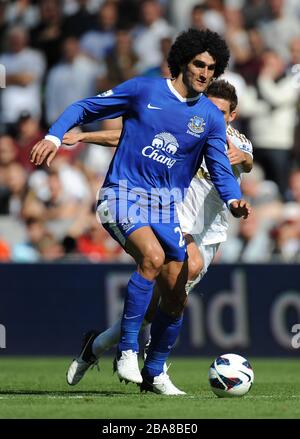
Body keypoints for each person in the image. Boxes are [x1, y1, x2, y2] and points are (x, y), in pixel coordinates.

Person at [30, 29, 250, 395]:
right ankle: (127, 350)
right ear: (183, 60)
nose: (205, 73)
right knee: (151, 256)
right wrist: (55, 135)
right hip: (122, 195)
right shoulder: (145, 90)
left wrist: (233, 200)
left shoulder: (211, 118)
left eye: (212, 68)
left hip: (165, 209)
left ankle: (156, 371)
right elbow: (84, 108)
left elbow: (222, 167)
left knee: (177, 294)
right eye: (199, 64)